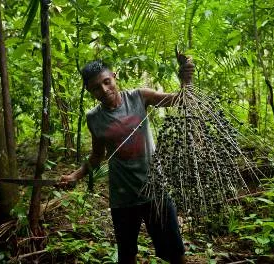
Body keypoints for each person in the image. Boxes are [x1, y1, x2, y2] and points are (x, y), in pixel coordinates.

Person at [61, 59, 194, 264]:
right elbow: (97, 156)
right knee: (127, 255)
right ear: (89, 91)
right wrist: (74, 176)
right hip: (123, 197)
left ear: (115, 77)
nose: (104, 90)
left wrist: (187, 80)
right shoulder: (94, 118)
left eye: (107, 82)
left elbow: (179, 100)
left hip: (155, 190)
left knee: (175, 253)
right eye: (96, 88)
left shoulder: (139, 97)